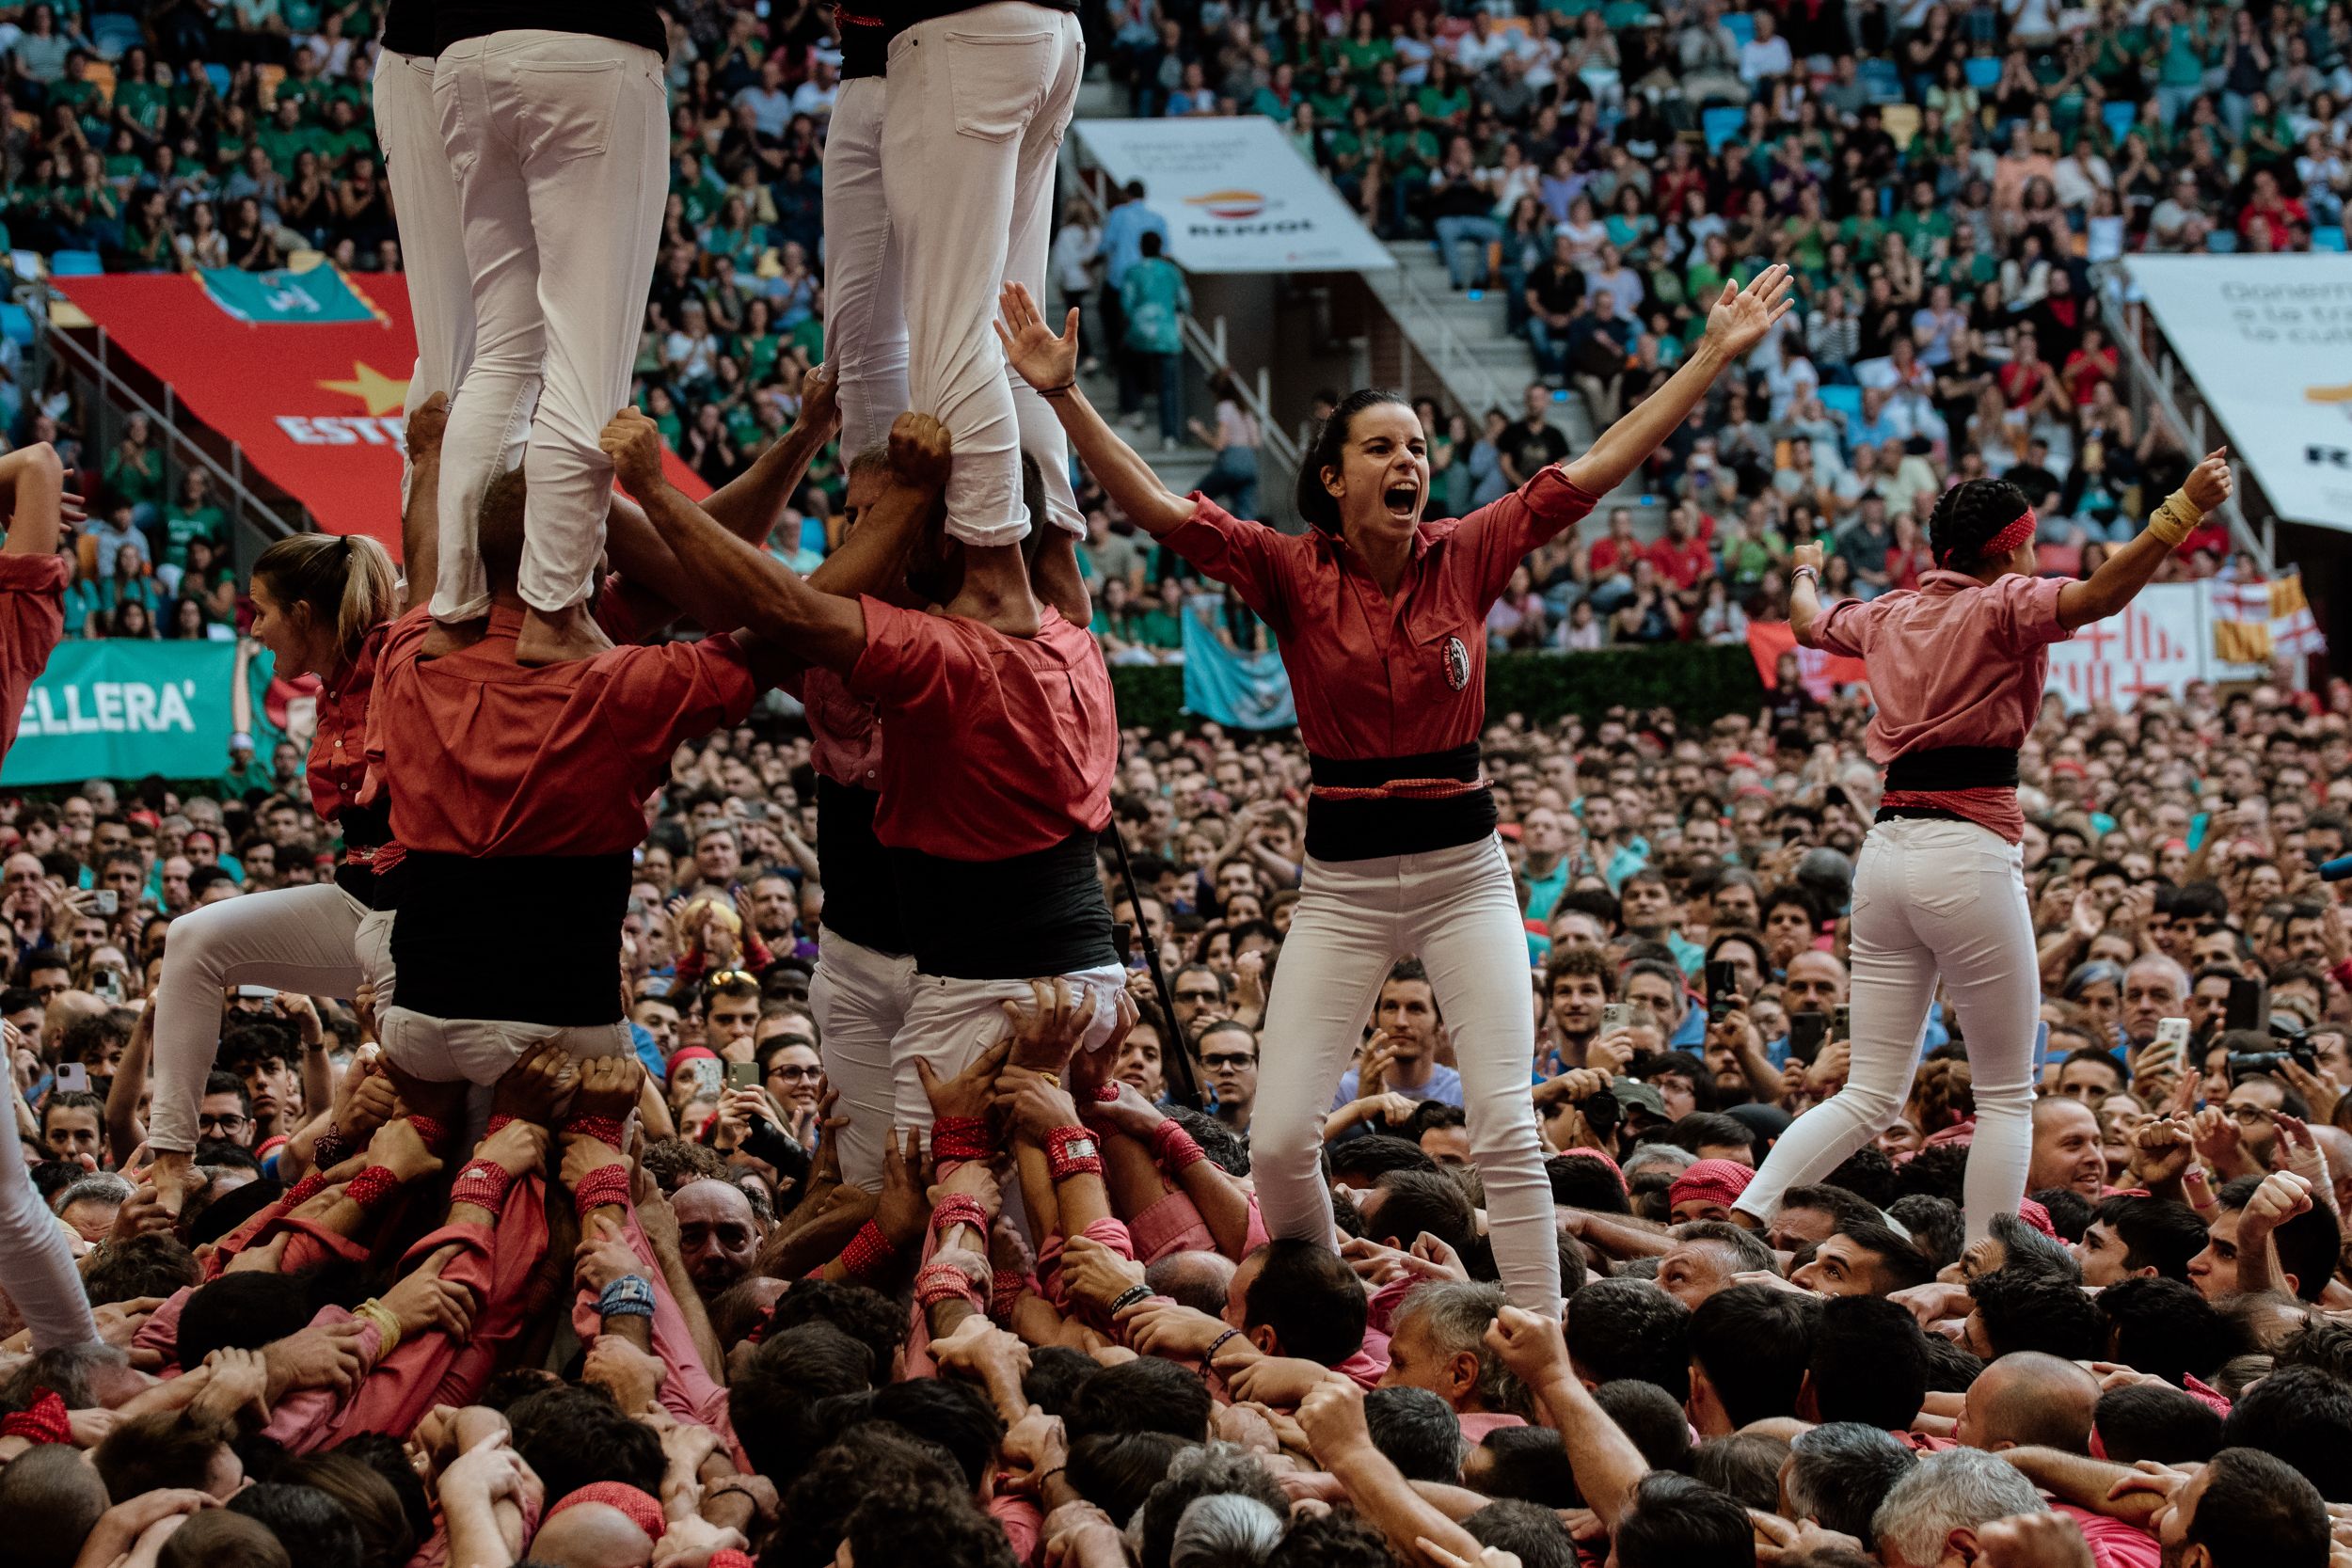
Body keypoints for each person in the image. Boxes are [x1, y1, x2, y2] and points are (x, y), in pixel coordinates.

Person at [993, 265, 1796, 1311]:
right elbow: (1152, 503)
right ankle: (1330, 1297)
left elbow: (1597, 464)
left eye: (1417, 446)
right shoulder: (1284, 567)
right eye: (1381, 446)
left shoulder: (1468, 551)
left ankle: (1537, 1333)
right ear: (1330, 477)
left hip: (1466, 870)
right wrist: (1061, 391)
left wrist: (1708, 356)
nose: (1407, 460)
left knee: (1508, 1123)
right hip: (1344, 885)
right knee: (1280, 1141)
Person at [1733, 450, 2235, 1243]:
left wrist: (1804, 568)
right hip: (1967, 851)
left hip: (1886, 850)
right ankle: (1984, 1265)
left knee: (1868, 1094)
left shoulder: (1891, 611)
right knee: (2005, 1095)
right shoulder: (2005, 603)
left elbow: (1803, 623)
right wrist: (2182, 509)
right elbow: (2102, 594)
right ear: (2011, 548)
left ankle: (1746, 1212)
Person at [605, 405, 1128, 1162]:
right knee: (882, 1184)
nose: (858, 537)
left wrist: (640, 484)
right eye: (849, 517)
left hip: (970, 973)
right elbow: (734, 600)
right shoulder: (846, 624)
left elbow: (775, 606)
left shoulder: (981, 644)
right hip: (861, 954)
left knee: (960, 1200)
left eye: (878, 516)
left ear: (944, 526)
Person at [148, 527, 401, 1208]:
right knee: (192, 938)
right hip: (359, 904)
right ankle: (171, 1163)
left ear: (303, 615)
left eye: (261, 611)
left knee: (406, 1087)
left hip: (428, 919)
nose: (256, 631)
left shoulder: (404, 655)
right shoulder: (327, 684)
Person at [426, 1, 670, 664]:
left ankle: (453, 607)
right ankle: (555, 609)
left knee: (504, 354)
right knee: (588, 364)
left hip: (463, 56)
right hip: (584, 50)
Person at [0, 440, 93, 1350]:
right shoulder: (18, 622)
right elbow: (37, 468)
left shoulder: (12, 621)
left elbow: (30, 465)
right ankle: (86, 1363)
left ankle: (84, 1363)